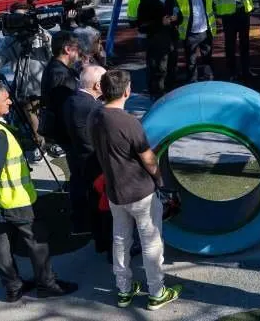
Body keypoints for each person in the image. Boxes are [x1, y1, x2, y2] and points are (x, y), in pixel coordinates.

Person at [0, 81, 78, 302]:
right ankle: (47, 284)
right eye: (5, 99)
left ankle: (13, 287)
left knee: (1, 242)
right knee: (37, 239)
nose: (10, 102)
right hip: (15, 199)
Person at [89, 70, 181, 310]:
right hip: (140, 192)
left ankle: (124, 290)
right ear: (127, 91)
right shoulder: (129, 122)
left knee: (120, 240)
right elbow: (148, 159)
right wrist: (160, 180)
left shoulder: (95, 116)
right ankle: (156, 292)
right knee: (151, 242)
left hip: (115, 192)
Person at [0, 2, 53, 154]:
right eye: (16, 17)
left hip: (42, 80)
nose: (19, 20)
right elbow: (4, 54)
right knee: (30, 111)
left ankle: (51, 140)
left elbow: (52, 54)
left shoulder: (41, 34)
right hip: (25, 83)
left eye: (22, 17)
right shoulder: (12, 37)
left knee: (46, 112)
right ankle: (40, 144)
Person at [62, 65, 106, 235]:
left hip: (76, 155)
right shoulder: (93, 107)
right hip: (91, 160)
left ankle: (81, 224)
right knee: (94, 196)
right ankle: (94, 228)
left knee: (79, 189)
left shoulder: (71, 99)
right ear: (97, 86)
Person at [137, 0, 179, 101]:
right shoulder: (146, 2)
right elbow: (141, 25)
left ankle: (171, 94)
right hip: (156, 42)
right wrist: (160, 23)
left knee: (172, 68)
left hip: (171, 40)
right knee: (159, 70)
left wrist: (176, 18)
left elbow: (179, 14)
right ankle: (157, 97)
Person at [40, 31, 80, 157]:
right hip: (67, 132)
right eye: (77, 48)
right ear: (68, 49)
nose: (80, 52)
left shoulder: (55, 66)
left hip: (62, 130)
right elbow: (70, 106)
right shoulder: (61, 74)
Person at [176, 0, 215, 84]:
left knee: (207, 56)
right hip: (191, 34)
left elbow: (212, 7)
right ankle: (193, 81)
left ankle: (209, 77)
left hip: (205, 31)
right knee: (191, 60)